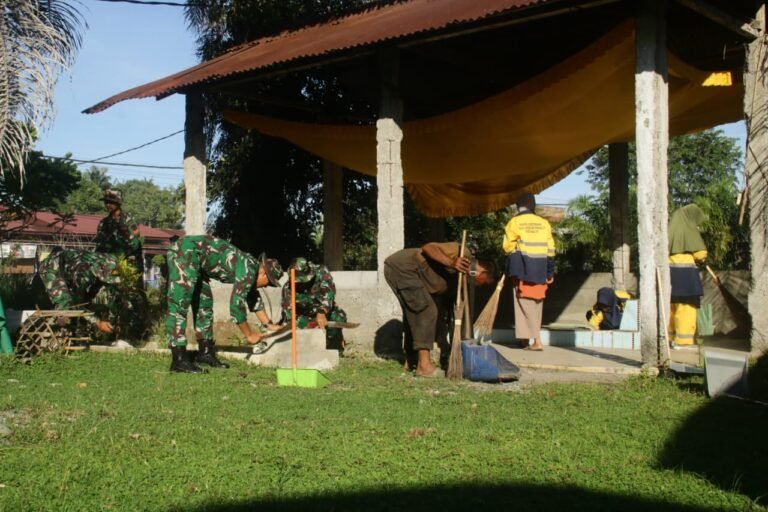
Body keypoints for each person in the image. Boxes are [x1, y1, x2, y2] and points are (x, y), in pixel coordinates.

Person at [165, 235, 284, 373]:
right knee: (180, 302)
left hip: (197, 260)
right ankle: (179, 360)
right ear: (264, 274)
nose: (266, 287)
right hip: (185, 251)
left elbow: (252, 297)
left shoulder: (251, 268)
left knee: (204, 304)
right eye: (269, 283)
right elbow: (236, 306)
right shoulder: (249, 269)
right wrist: (249, 335)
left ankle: (205, 353)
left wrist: (269, 325)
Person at [384, 242, 494, 377]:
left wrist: (446, 344)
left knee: (415, 313)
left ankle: (412, 360)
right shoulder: (462, 253)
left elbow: (445, 311)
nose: (479, 286)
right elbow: (428, 247)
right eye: (483, 282)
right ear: (481, 271)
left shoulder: (460, 283)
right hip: (404, 267)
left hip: (413, 275)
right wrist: (452, 262)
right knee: (426, 310)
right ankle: (424, 367)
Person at [503, 192, 555, 351]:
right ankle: (525, 340)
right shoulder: (544, 223)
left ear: (518, 207)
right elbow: (551, 250)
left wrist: (510, 268)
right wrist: (549, 273)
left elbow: (507, 247)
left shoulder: (514, 222)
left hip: (522, 270)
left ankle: (536, 340)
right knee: (536, 304)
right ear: (533, 206)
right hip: (540, 270)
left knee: (523, 304)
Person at [38, 247, 121, 335]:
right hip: (51, 268)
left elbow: (103, 288)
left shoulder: (108, 261)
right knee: (65, 302)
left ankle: (78, 329)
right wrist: (97, 322)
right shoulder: (83, 271)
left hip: (68, 269)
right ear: (99, 271)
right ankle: (60, 332)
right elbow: (76, 304)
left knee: (83, 301)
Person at [281, 257, 348, 352]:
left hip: (324, 313)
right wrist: (308, 325)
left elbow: (329, 293)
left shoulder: (321, 272)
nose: (302, 284)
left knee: (338, 317)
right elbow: (289, 314)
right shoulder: (288, 289)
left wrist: (321, 312)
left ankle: (334, 349)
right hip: (304, 317)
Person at [668, 204, 707, 348]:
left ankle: (670, 338)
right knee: (686, 308)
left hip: (669, 274)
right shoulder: (689, 230)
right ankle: (684, 341)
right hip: (686, 277)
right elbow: (700, 253)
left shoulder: (669, 230)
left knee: (671, 307)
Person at [94, 189, 144, 284]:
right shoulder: (103, 223)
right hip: (108, 266)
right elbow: (99, 246)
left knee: (133, 294)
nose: (108, 205)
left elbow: (136, 244)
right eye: (106, 202)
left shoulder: (128, 221)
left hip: (128, 266)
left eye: (111, 202)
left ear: (118, 202)